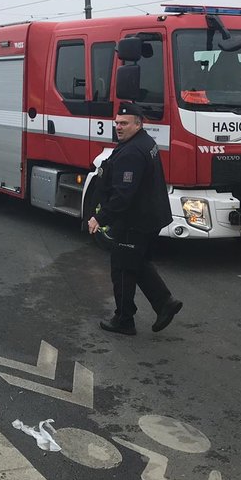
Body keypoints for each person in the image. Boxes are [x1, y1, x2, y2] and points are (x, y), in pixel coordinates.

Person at [87, 102, 182, 336]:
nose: (118, 127)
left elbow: (123, 195)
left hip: (135, 220)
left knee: (121, 267)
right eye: (117, 123)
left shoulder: (131, 152)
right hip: (150, 216)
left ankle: (124, 319)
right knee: (136, 262)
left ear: (139, 124)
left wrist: (99, 218)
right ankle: (164, 303)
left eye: (124, 123)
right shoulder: (144, 141)